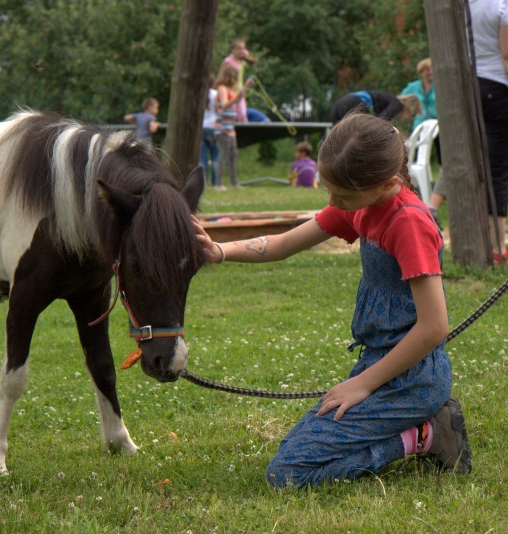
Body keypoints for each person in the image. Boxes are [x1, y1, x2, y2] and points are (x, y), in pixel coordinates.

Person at [193, 113, 471, 488]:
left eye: (341, 195)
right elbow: (285, 243)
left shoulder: (408, 223)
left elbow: (434, 326)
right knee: (296, 451)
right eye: (329, 191)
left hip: (414, 379)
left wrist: (363, 385)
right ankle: (420, 425)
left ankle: (427, 435)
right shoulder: (360, 202)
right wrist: (219, 251)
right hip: (381, 367)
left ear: (386, 183)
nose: (333, 203)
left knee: (288, 474)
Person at [430, 0, 508, 265]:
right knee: (498, 173)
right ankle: (498, 249)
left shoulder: (459, 4)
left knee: (465, 160)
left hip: (468, 88)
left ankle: (439, 212)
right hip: (500, 91)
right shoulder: (503, 3)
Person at [214, 65, 254, 190]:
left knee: (232, 156)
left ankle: (234, 183)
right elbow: (224, 105)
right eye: (234, 77)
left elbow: (239, 97)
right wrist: (236, 98)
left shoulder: (231, 90)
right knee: (223, 156)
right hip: (223, 128)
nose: (235, 80)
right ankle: (218, 184)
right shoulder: (221, 88)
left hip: (231, 128)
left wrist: (246, 87)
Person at [218, 38, 257, 123]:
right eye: (239, 48)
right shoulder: (228, 61)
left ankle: (243, 133)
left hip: (239, 90)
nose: (242, 51)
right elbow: (220, 78)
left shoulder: (241, 61)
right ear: (233, 50)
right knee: (232, 114)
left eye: (243, 48)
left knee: (242, 115)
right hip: (230, 91)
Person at [331, 90, 421, 124]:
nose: (411, 119)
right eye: (413, 115)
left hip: (342, 102)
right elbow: (381, 121)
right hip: (355, 103)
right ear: (410, 108)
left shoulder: (391, 99)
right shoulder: (397, 105)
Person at [401, 58, 438, 130]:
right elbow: (401, 99)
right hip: (420, 124)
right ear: (421, 72)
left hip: (438, 124)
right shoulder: (413, 87)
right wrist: (408, 112)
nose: (430, 72)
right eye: (427, 69)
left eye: (432, 69)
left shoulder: (439, 86)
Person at [200, 75, 219, 186]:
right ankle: (216, 182)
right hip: (214, 127)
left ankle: (203, 182)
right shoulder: (215, 94)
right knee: (216, 156)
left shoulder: (199, 94)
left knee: (202, 158)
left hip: (202, 128)